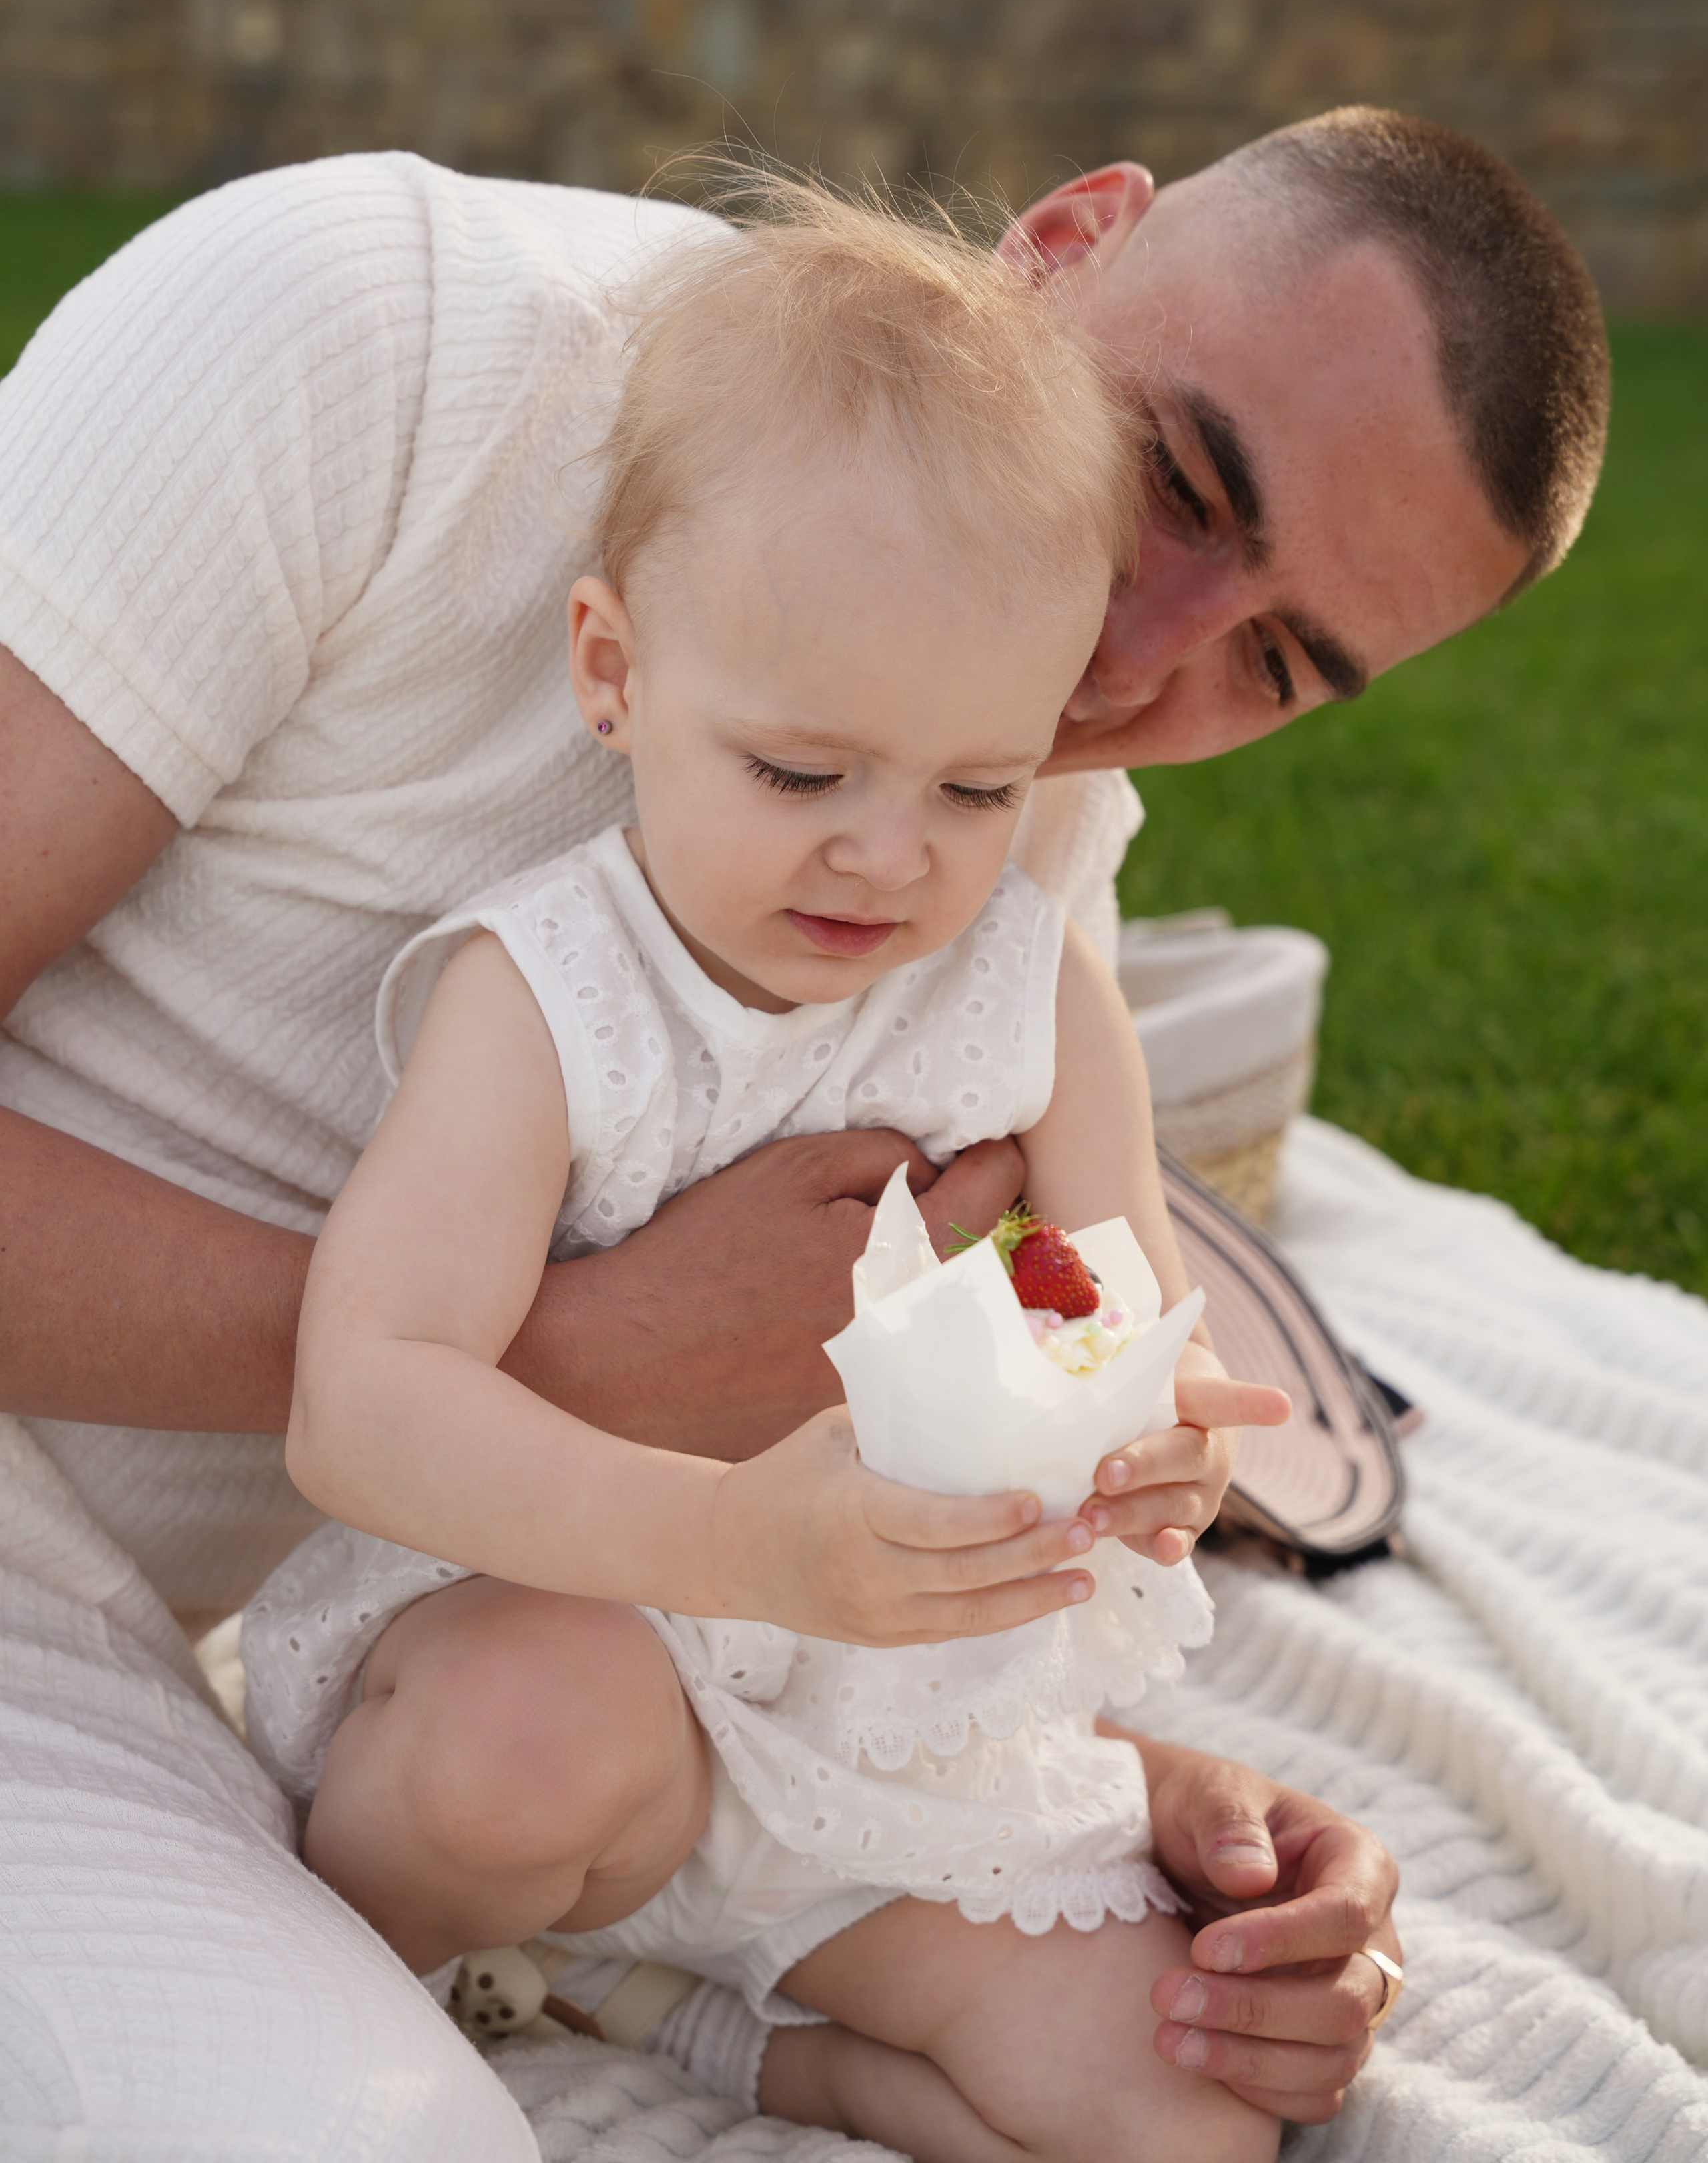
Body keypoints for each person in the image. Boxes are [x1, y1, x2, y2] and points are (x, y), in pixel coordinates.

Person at [0, 109, 1607, 2156]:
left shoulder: (1022, 841)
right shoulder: (370, 342)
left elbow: (897, 1436)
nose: (1138, 653)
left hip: (359, 1659)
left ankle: (661, 2009)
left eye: (1278, 662)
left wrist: (1131, 1790)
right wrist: (570, 1352)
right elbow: (662, 1418)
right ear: (1063, 243)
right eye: (1182, 480)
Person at [241, 185, 1292, 2163]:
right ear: (615, 673)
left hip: (883, 1715)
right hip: (569, 1643)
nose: (890, 860)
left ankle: (711, 2032)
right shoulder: (548, 997)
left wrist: (1165, 1445)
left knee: (1188, 2117)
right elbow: (358, 1406)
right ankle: (396, 1972)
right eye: (804, 774)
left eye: (978, 788)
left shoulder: (1031, 996)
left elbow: (1114, 1301)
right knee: (514, 1760)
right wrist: (730, 1550)